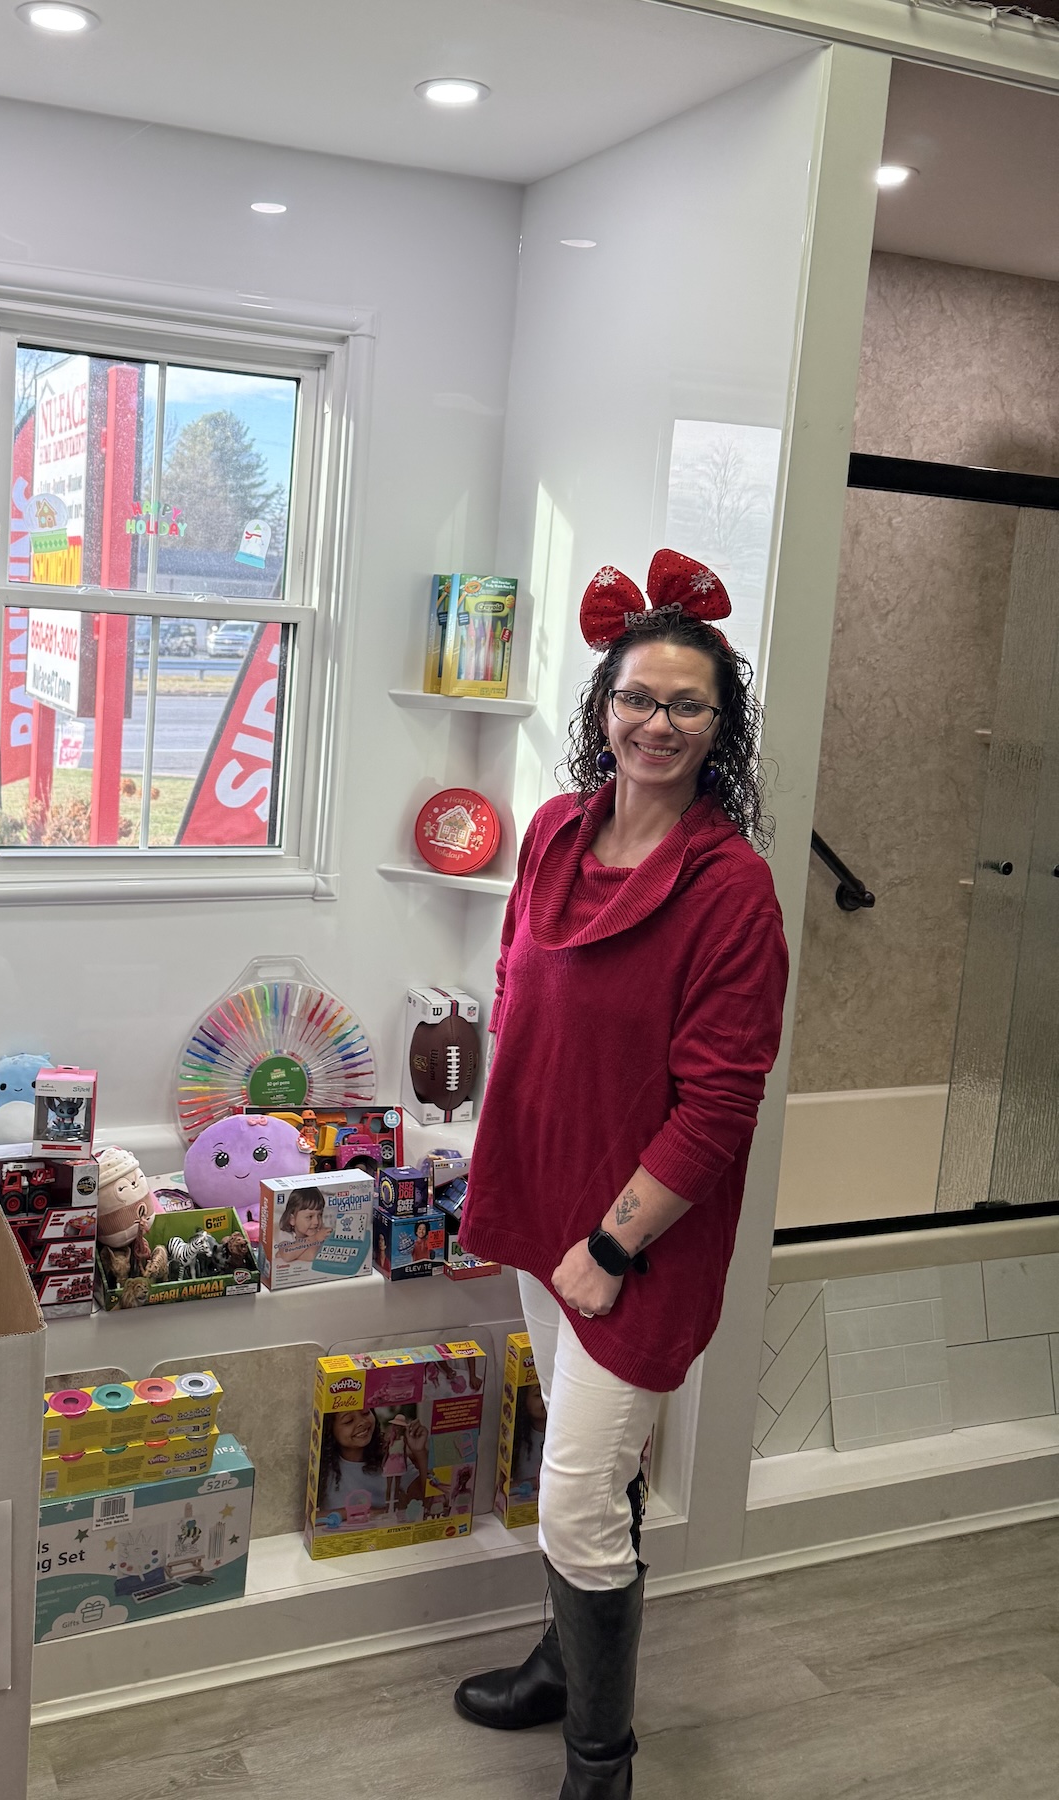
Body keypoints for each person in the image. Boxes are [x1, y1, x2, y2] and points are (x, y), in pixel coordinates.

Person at [455, 550, 789, 1800]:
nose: (657, 723)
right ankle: (562, 1666)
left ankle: (601, 1763)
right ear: (603, 706)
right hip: (544, 1202)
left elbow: (719, 1107)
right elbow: (514, 993)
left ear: (719, 727)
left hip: (631, 1239)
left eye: (686, 704)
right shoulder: (554, 830)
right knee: (586, 1467)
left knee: (577, 1494)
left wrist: (610, 1245)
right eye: (638, 697)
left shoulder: (731, 891)